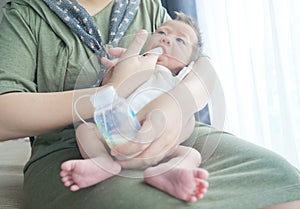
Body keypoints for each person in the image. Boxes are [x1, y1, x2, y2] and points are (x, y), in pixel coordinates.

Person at [0, 0, 299, 209]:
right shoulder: (26, 15)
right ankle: (107, 165)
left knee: (282, 177)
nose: (167, 39)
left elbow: (202, 69)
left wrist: (175, 102)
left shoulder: (148, 7)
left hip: (177, 134)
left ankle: (171, 170)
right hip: (74, 147)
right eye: (165, 35)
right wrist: (110, 91)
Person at [60, 12, 209, 203]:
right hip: (118, 132)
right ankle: (101, 161)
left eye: (180, 41)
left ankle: (170, 171)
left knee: (190, 151)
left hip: (159, 140)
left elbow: (203, 79)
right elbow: (111, 91)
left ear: (189, 62)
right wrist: (116, 72)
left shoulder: (181, 77)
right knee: (85, 131)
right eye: (162, 32)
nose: (166, 39)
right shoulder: (136, 64)